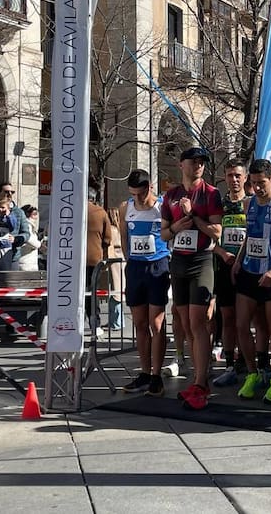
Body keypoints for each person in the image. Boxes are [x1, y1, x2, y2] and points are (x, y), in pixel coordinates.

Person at [160, 146, 223, 410]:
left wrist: (193, 216)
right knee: (185, 322)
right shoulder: (171, 195)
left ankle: (200, 381)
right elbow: (164, 234)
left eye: (201, 162)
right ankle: (197, 376)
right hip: (179, 261)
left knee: (199, 321)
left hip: (201, 260)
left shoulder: (210, 193)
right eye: (193, 162)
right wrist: (176, 227)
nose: (198, 166)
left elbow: (217, 231)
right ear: (181, 165)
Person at [232, 158, 271, 405]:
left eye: (262, 183)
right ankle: (253, 372)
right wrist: (238, 259)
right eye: (254, 182)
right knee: (241, 324)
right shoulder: (249, 204)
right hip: (249, 270)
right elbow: (250, 235)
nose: (258, 187)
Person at [118, 169, 172, 396]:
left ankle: (157, 375)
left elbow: (170, 233)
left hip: (158, 265)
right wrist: (128, 259)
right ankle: (144, 372)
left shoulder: (162, 206)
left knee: (156, 324)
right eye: (133, 194)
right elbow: (123, 237)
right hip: (136, 267)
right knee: (139, 324)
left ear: (149, 187)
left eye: (140, 194)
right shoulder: (125, 207)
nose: (137, 198)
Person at [212, 159, 248, 387]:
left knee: (247, 319)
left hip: (247, 267)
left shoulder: (251, 203)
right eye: (229, 175)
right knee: (227, 318)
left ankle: (248, 361)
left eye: (237, 175)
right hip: (224, 266)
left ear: (244, 177)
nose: (233, 180)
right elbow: (209, 237)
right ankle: (229, 365)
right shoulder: (219, 205)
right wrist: (223, 253)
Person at [85, 184, 112, 332]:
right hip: (94, 259)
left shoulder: (73, 211)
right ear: (93, 198)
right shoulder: (100, 213)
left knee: (77, 292)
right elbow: (107, 239)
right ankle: (95, 324)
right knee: (92, 292)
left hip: (74, 260)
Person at [14, 205, 43, 272]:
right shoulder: (27, 225)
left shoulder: (30, 226)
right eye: (34, 214)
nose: (36, 217)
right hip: (26, 262)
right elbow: (29, 239)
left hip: (29, 261)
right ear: (27, 214)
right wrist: (40, 245)